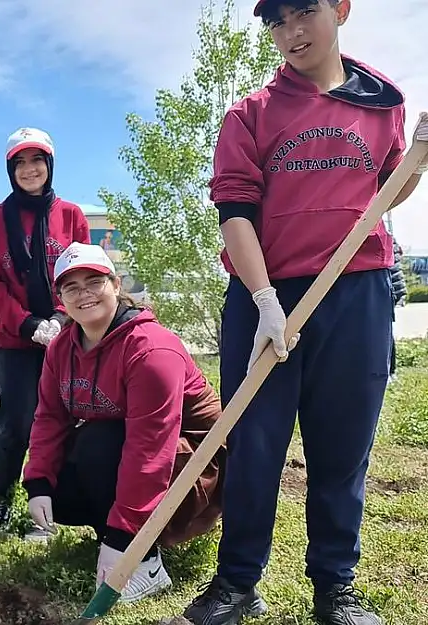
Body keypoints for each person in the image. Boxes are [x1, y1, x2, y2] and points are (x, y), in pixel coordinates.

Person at [182, 2, 428, 624]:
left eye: (306, 12)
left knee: (344, 446)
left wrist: (418, 159)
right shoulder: (251, 114)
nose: (292, 31)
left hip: (356, 294)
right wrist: (265, 300)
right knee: (254, 442)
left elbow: (387, 191)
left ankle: (335, 587)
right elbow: (234, 212)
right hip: (267, 295)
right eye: (278, 19)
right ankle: (237, 583)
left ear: (341, 10)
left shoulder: (382, 104)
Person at [21, 243, 226, 604]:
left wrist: (123, 539)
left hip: (199, 461)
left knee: (100, 443)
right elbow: (50, 417)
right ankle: (115, 533)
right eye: (71, 287)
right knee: (69, 472)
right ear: (60, 299)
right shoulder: (61, 349)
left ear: (116, 285)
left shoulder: (151, 350)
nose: (83, 293)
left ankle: (144, 561)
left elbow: (149, 449)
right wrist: (38, 482)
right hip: (130, 447)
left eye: (93, 281)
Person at [0, 126, 91, 529]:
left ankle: (55, 499)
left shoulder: (72, 215)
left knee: (69, 417)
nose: (29, 169)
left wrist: (61, 319)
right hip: (16, 340)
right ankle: (2, 497)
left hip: (66, 335)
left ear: (50, 164)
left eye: (37, 160)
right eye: (20, 162)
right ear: (10, 170)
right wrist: (28, 326)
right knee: (16, 422)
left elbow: (80, 273)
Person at [388, 240, 406, 382]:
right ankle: (391, 371)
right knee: (387, 332)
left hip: (391, 290)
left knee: (386, 334)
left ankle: (391, 371)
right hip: (393, 289)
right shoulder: (390, 240)